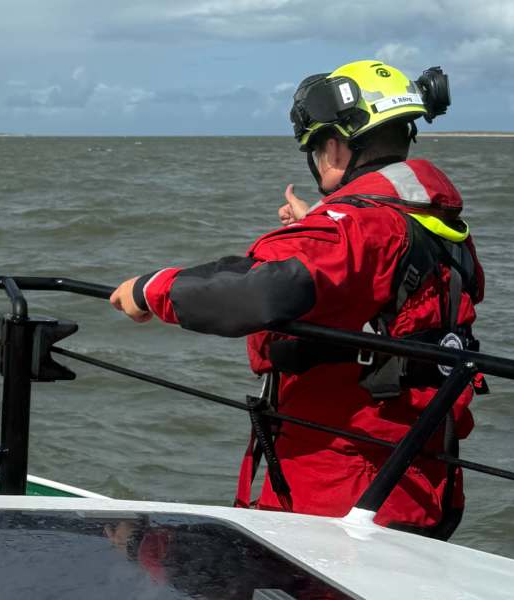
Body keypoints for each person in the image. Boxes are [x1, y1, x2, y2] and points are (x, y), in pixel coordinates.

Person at [109, 60, 485, 539]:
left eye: (316, 146)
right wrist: (316, 225)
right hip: (420, 481)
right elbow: (379, 286)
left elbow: (259, 291)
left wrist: (150, 289)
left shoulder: (360, 230)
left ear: (335, 147)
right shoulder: (439, 224)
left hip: (342, 493)